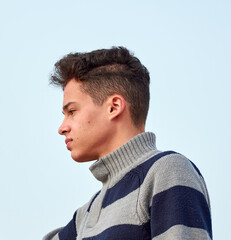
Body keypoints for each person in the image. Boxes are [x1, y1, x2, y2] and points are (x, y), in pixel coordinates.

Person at [43, 47, 212, 240]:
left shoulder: (167, 171)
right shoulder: (86, 214)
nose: (62, 127)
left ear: (113, 107)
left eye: (72, 111)